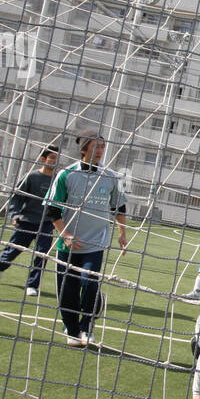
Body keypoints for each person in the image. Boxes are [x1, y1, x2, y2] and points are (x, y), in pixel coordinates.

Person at [46, 131, 128, 348]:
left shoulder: (110, 176)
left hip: (96, 243)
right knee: (68, 289)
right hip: (68, 244)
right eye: (96, 147)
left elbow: (119, 206)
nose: (100, 151)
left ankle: (86, 326)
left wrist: (122, 232)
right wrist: (65, 234)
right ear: (84, 150)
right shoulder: (67, 174)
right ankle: (72, 331)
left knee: (89, 283)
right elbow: (52, 209)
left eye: (102, 146)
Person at [0, 145, 59, 296]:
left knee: (43, 254)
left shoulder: (57, 180)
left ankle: (32, 285)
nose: (54, 161)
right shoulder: (31, 177)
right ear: (43, 159)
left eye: (56, 158)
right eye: (52, 158)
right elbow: (16, 197)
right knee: (14, 249)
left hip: (47, 223)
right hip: (27, 220)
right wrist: (14, 215)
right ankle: (0, 267)